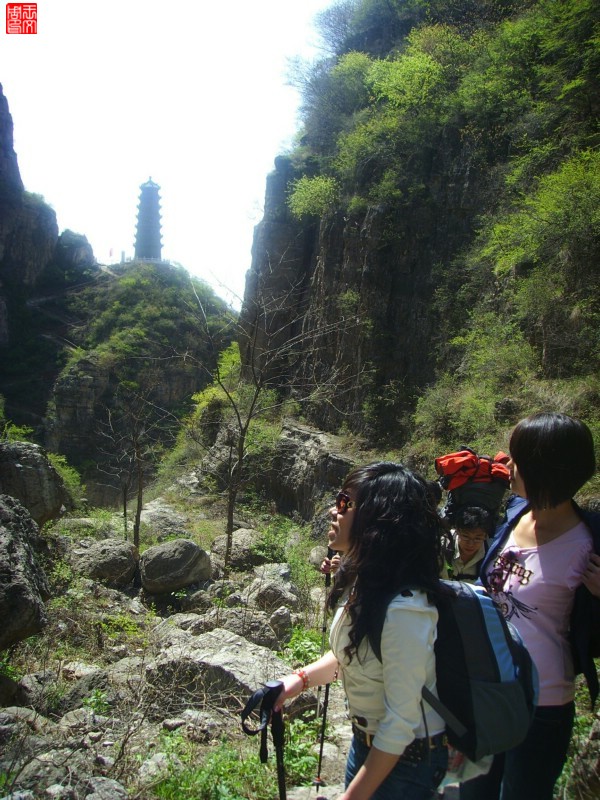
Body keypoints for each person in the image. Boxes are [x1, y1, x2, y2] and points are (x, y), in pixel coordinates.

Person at [274, 461, 449, 800]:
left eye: (344, 503)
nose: (332, 510)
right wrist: (296, 682)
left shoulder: (405, 610)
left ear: (376, 518)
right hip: (368, 747)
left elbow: (400, 723)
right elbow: (349, 654)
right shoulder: (364, 581)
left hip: (409, 763)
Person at [460, 412, 600, 800]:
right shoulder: (517, 513)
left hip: (544, 703)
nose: (510, 465)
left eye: (519, 459)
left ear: (545, 470)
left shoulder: (588, 542)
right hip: (493, 689)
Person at [440, 506, 494, 582]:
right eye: (466, 536)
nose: (471, 544)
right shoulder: (441, 546)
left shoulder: (492, 556)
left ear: (485, 536)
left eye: (477, 539)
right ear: (457, 530)